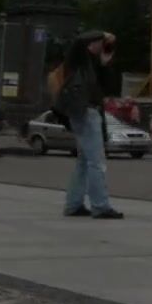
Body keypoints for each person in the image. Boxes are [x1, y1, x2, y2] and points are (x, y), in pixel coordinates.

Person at [53, 30, 124, 219]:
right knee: (96, 162)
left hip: (91, 112)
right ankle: (100, 206)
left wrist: (106, 63)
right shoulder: (78, 59)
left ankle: (73, 204)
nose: (102, 45)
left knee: (84, 162)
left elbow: (108, 88)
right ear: (90, 44)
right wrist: (103, 34)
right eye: (99, 42)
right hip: (84, 113)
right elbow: (79, 40)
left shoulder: (95, 65)